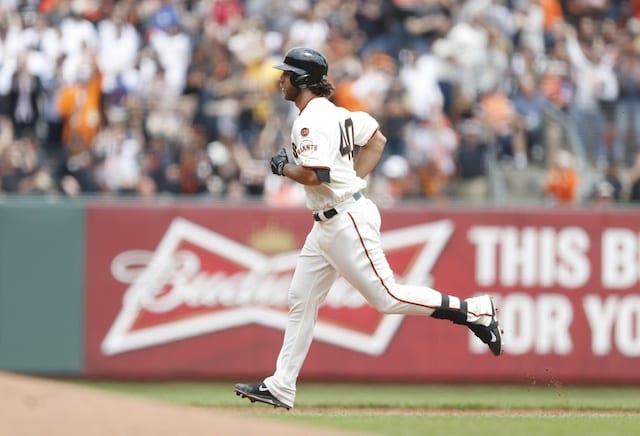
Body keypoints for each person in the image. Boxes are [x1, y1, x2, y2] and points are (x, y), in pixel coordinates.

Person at [234, 47, 503, 410]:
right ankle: (281, 385)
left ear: (300, 79)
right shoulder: (338, 113)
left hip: (344, 219)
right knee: (302, 298)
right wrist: (353, 180)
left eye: (286, 74)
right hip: (332, 220)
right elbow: (376, 139)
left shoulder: (310, 120)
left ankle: (474, 310)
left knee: (387, 297)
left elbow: (316, 175)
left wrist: (285, 169)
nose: (280, 79)